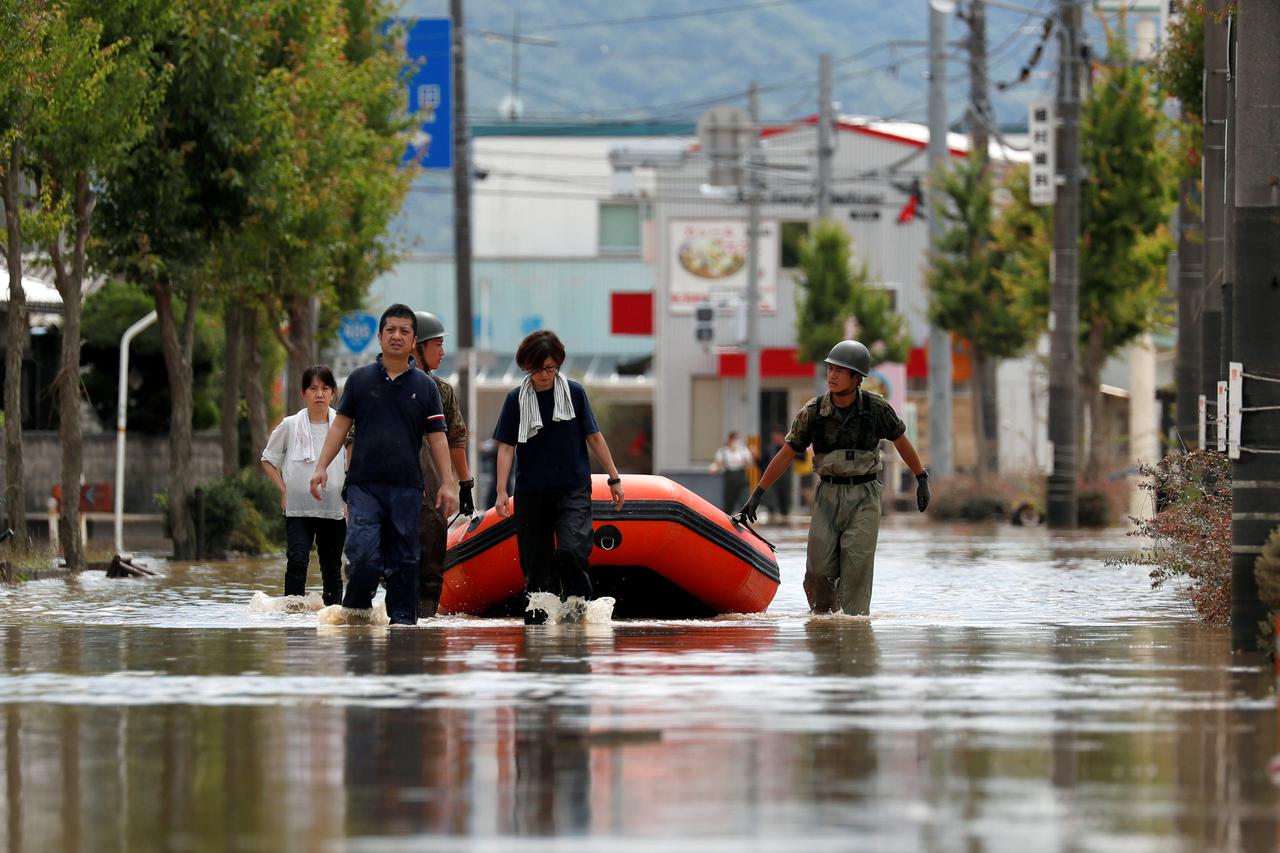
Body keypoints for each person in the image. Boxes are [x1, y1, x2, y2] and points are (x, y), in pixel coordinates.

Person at [737, 340, 931, 616]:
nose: (833, 375)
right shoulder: (813, 412)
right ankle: (824, 623)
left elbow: (901, 441)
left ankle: (853, 629)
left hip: (864, 496)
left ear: (857, 378)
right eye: (830, 369)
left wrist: (921, 477)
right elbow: (786, 453)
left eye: (841, 370)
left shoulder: (876, 409)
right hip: (827, 495)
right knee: (818, 571)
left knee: (856, 568)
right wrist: (757, 493)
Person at [309, 304, 457, 625]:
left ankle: (403, 628)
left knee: (405, 561)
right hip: (364, 486)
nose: (396, 336)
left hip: (406, 489)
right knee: (362, 555)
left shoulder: (426, 387)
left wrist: (448, 482)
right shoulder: (360, 381)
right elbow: (339, 427)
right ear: (379, 337)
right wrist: (321, 466)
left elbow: (437, 438)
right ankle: (357, 615)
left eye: (404, 331)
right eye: (390, 330)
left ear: (414, 340)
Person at [492, 330, 625, 624]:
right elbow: (505, 447)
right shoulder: (516, 399)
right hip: (531, 493)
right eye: (537, 368)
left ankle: (577, 611)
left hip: (572, 489)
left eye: (550, 368)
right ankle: (538, 628)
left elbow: (594, 436)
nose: (544, 374)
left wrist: (614, 478)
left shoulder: (574, 393)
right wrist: (502, 491)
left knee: (572, 549)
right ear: (526, 366)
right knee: (536, 568)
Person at [260, 364, 347, 604]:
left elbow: (352, 463)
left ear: (333, 393)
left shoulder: (343, 426)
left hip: (334, 508)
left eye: (325, 388)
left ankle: (334, 618)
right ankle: (292, 617)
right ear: (303, 393)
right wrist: (283, 490)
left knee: (332, 567)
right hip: (298, 508)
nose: (319, 394)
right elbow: (268, 459)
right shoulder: (290, 425)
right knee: (297, 561)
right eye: (313, 388)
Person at [411, 310, 473, 617]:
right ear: (417, 347)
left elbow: (456, 439)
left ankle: (424, 626)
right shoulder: (380, 385)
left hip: (432, 488)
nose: (443, 351)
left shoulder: (443, 390)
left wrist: (466, 484)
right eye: (437, 344)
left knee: (432, 561)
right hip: (389, 485)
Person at [709, 431, 755, 513]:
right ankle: (728, 517)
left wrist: (753, 455)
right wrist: (714, 468)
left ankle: (745, 515)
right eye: (734, 439)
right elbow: (717, 463)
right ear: (730, 440)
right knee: (729, 500)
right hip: (729, 476)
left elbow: (750, 464)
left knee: (744, 498)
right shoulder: (723, 451)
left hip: (741, 476)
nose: (736, 441)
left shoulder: (743, 451)